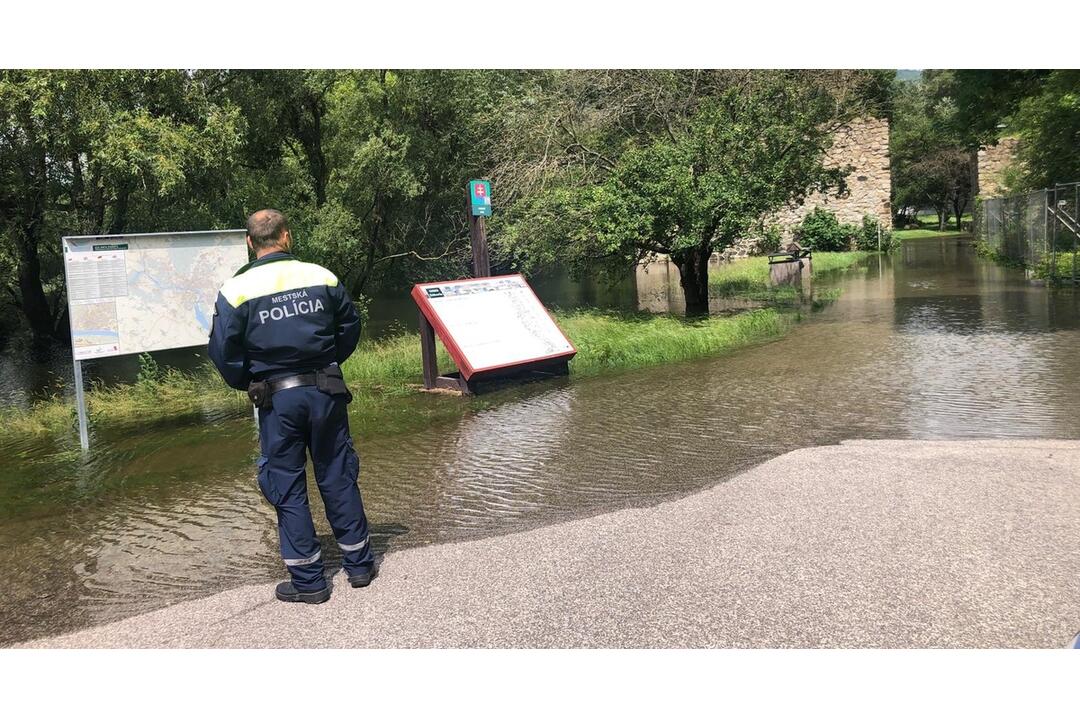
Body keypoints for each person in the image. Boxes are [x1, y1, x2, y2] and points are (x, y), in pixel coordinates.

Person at [208, 209, 375, 604]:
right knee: (337, 473)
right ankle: (360, 566)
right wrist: (328, 361)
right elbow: (350, 327)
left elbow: (223, 352)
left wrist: (248, 381)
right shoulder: (322, 276)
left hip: (277, 398)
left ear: (250, 244)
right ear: (287, 236)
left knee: (286, 483)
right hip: (326, 391)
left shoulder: (236, 290)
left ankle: (310, 583)